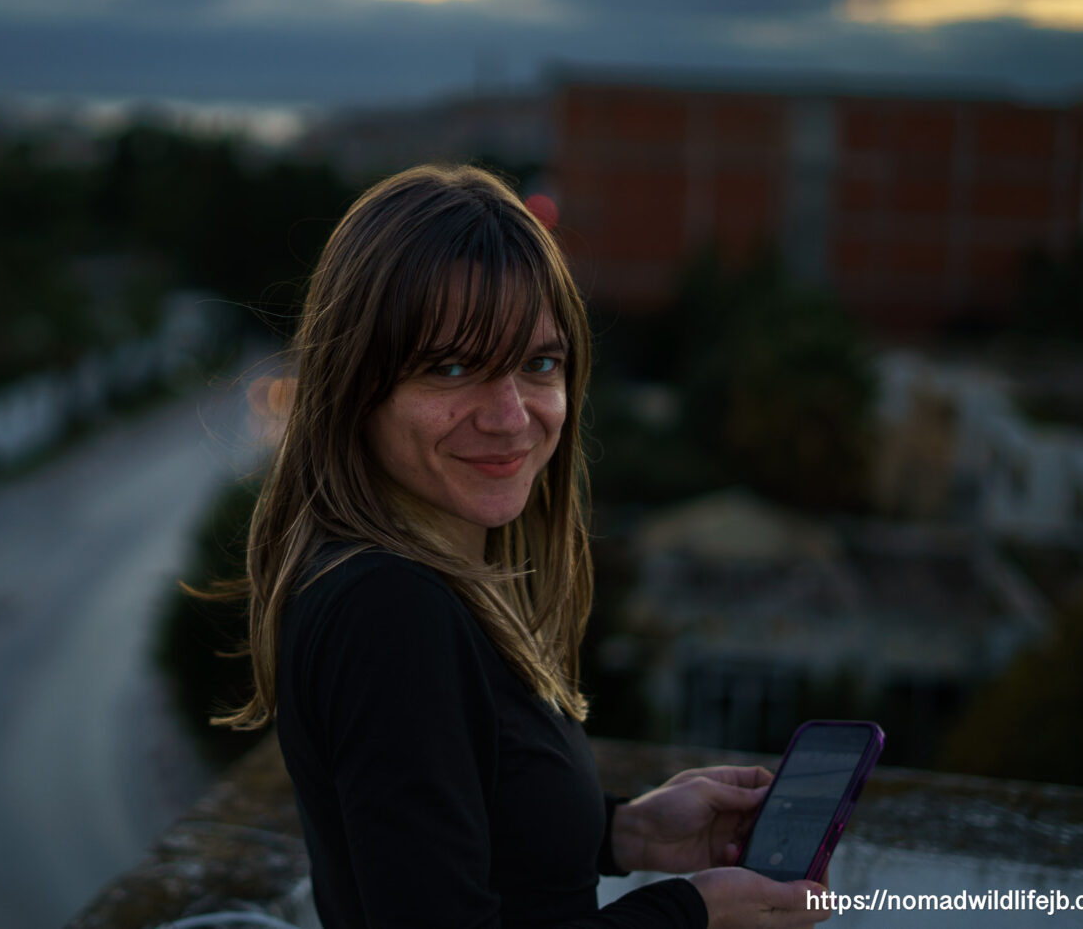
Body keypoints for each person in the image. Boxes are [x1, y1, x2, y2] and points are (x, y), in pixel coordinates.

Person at [217, 165, 831, 929]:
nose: (511, 417)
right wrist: (693, 913)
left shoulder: (425, 579)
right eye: (451, 367)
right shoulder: (389, 610)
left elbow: (455, 836)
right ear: (355, 387)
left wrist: (628, 831)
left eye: (538, 364)